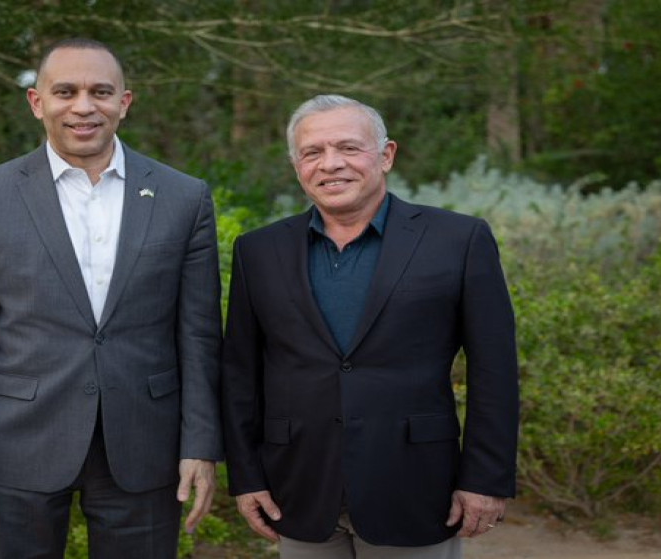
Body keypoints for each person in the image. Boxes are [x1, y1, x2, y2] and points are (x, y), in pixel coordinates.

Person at [0, 38, 223, 559]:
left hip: (144, 446)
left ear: (124, 102)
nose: (83, 106)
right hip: (15, 448)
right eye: (65, 91)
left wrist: (200, 445)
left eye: (100, 92)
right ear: (37, 101)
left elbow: (199, 336)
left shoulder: (185, 197)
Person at [220, 94, 519, 559]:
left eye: (348, 148)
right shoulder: (257, 251)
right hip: (296, 489)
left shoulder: (459, 240)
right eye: (312, 152)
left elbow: (494, 370)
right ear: (296, 165)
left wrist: (485, 479)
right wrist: (246, 477)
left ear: (386, 155)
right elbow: (240, 374)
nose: (330, 164)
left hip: (417, 488)